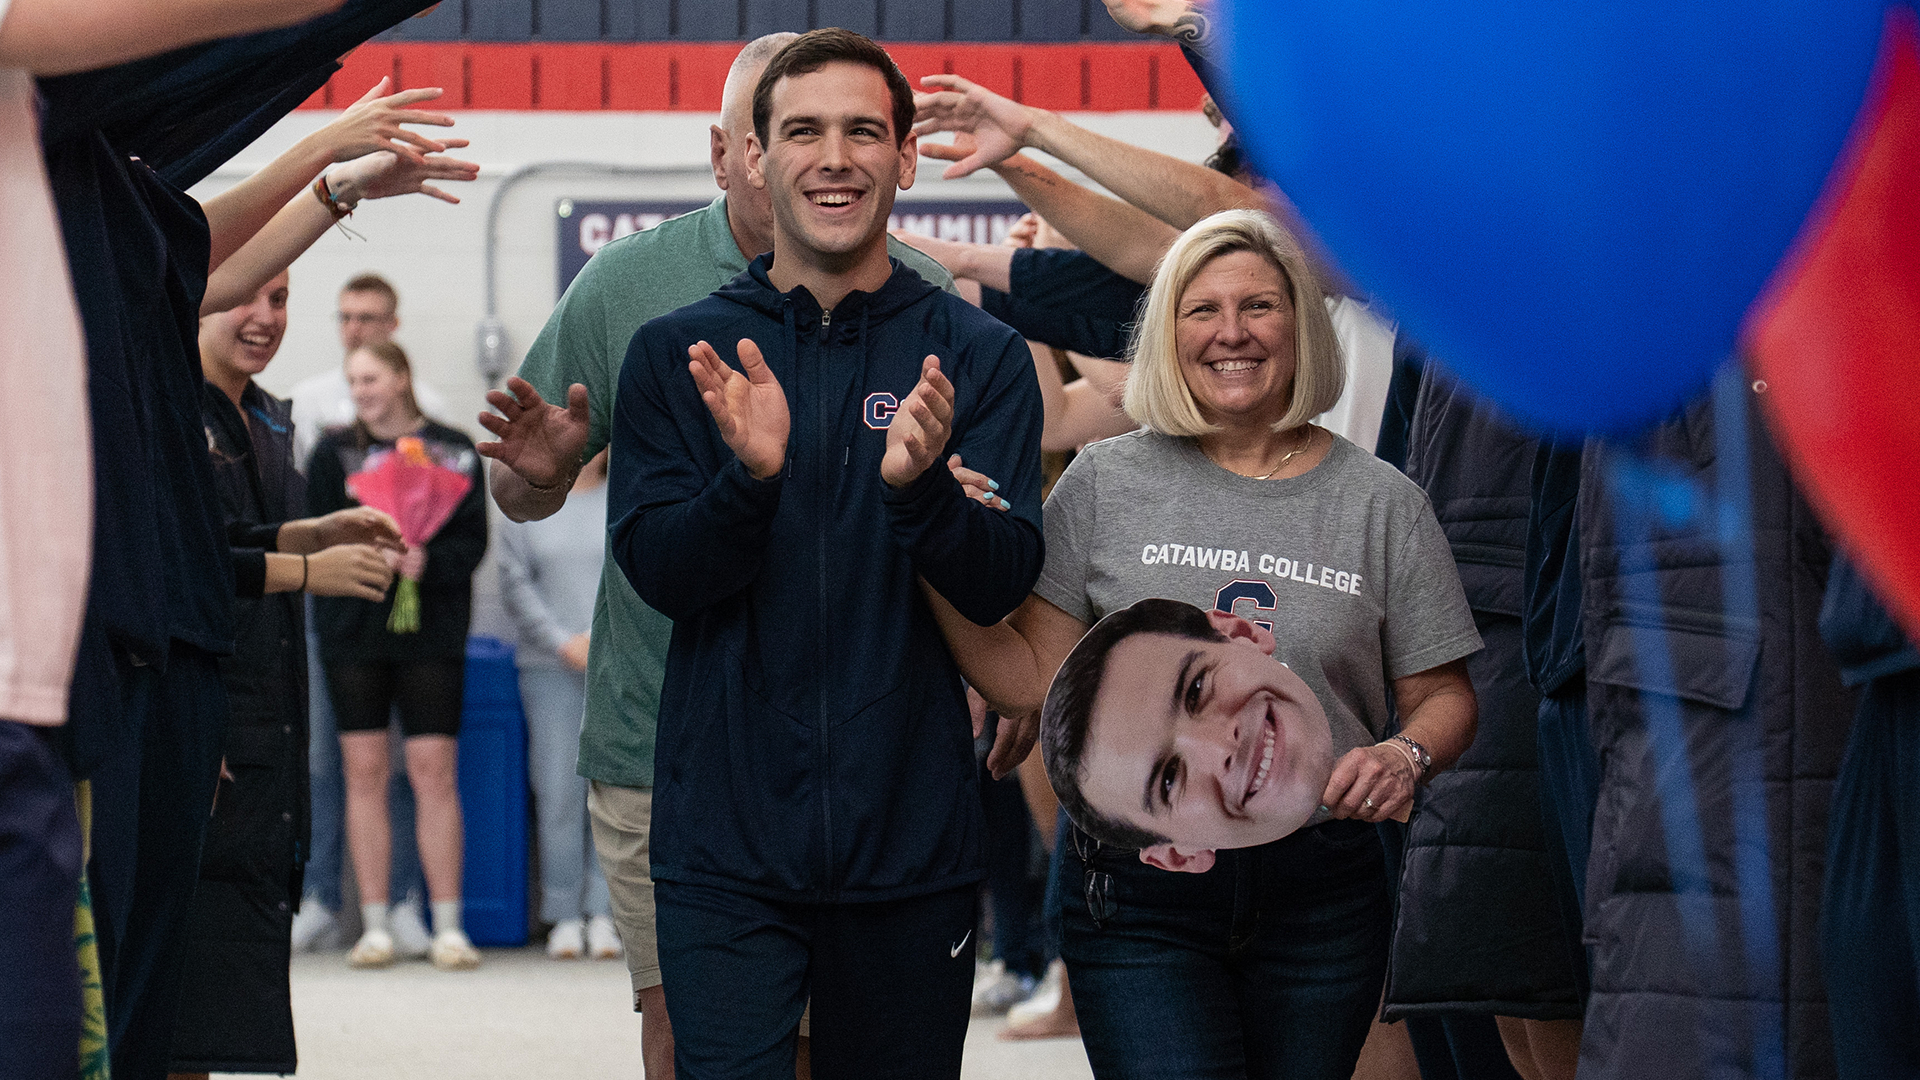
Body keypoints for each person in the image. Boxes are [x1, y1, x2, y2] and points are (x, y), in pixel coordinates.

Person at [476, 30, 958, 1078]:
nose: (800, 160)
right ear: (727, 151)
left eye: (844, 132)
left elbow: (959, 528)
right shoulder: (627, 287)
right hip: (661, 741)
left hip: (862, 750)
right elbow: (517, 490)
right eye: (771, 136)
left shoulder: (926, 296)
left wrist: (995, 681)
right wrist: (546, 469)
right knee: (697, 1042)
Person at [931, 208, 1481, 1080]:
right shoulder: (1105, 482)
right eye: (1201, 310)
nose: (1231, 333)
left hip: (1325, 893)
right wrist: (932, 538)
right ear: (1166, 335)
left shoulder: (1383, 504)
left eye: (1259, 306)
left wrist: (1406, 755)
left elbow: (1445, 696)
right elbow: (1036, 678)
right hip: (1135, 897)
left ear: (1301, 323)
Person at [607, 28, 1043, 1078]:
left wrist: (924, 496)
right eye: (802, 131)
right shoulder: (682, 353)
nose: (834, 157)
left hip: (912, 850)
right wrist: (747, 480)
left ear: (906, 157)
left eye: (863, 131)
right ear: (755, 157)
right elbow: (663, 570)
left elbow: (1003, 578)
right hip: (725, 847)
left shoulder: (976, 355)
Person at [169, 271, 403, 1079]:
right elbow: (183, 563)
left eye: (280, 298)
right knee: (176, 993)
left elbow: (239, 531)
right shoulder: (167, 409)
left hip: (266, 731)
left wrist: (309, 531)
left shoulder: (266, 417)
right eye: (245, 295)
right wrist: (308, 570)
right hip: (200, 722)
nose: (263, 317)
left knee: (219, 1006)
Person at [307, 340, 488, 971]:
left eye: (372, 379)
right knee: (363, 772)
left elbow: (472, 543)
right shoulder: (331, 452)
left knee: (433, 770)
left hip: (431, 631)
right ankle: (377, 923)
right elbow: (315, 534)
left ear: (403, 376)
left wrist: (424, 561)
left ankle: (449, 925)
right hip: (354, 631)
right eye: (353, 381)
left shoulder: (456, 448)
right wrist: (367, 555)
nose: (362, 392)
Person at [290, 270, 452, 957]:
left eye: (370, 316)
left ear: (393, 325)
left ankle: (414, 906)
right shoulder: (308, 407)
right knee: (330, 762)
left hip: (414, 622)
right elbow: (304, 511)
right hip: (337, 611)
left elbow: (455, 521)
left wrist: (418, 558)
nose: (356, 326)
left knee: (416, 767)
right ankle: (323, 899)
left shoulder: (435, 414)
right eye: (346, 315)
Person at [497, 449, 622, 961]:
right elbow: (513, 581)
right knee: (557, 792)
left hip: (617, 666)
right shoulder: (526, 506)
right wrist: (559, 641)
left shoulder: (627, 496)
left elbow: (636, 573)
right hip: (549, 669)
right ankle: (564, 913)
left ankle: (606, 914)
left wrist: (604, 640)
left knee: (614, 791)